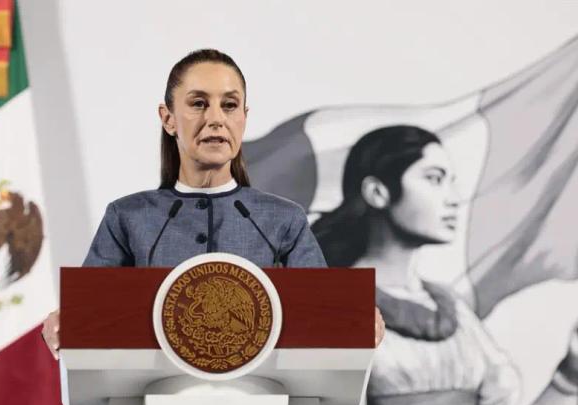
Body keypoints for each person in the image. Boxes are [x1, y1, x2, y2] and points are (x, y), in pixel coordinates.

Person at [42, 49, 386, 358]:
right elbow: (89, 315)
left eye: (230, 105)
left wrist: (353, 318)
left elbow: (324, 313)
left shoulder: (284, 220)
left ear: (243, 117)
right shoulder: (128, 217)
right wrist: (67, 321)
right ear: (168, 118)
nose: (216, 119)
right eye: (198, 103)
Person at [312, 125, 578, 405]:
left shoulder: (453, 311)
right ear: (377, 192)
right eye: (434, 179)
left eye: (451, 182)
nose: (453, 198)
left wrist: (570, 373)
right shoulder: (329, 309)